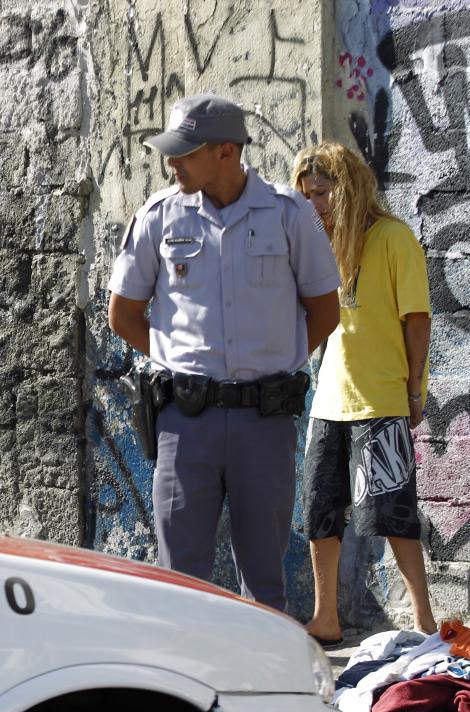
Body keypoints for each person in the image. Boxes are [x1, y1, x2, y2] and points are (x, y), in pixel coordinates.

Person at [107, 95, 341, 612]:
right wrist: (175, 359)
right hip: (186, 423)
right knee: (181, 579)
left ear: (226, 152)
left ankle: (257, 687)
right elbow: (122, 315)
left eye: (185, 152)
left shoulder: (287, 213)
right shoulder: (159, 217)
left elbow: (326, 309)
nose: (173, 163)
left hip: (264, 420)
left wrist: (280, 363)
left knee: (263, 584)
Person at [292, 141, 439, 644]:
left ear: (348, 188)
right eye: (307, 196)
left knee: (394, 515)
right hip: (328, 403)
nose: (315, 205)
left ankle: (423, 620)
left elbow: (416, 322)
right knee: (320, 513)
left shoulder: (394, 238)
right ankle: (325, 616)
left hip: (380, 400)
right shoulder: (321, 249)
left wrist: (414, 392)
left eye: (323, 194)